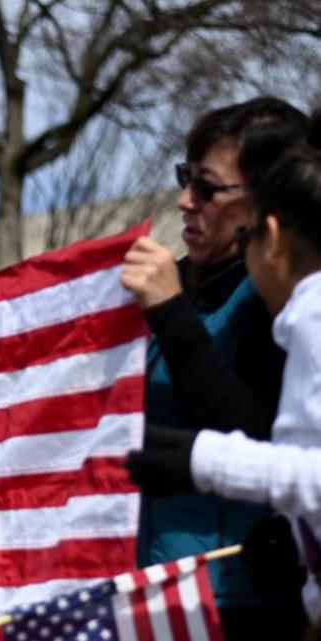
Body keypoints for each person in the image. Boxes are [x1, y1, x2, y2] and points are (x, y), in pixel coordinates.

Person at [119, 97, 310, 637]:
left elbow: (254, 430)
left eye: (207, 188)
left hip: (239, 600)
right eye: (185, 178)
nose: (184, 202)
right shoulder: (176, 284)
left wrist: (171, 313)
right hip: (154, 589)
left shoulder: (285, 299)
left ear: (267, 201)